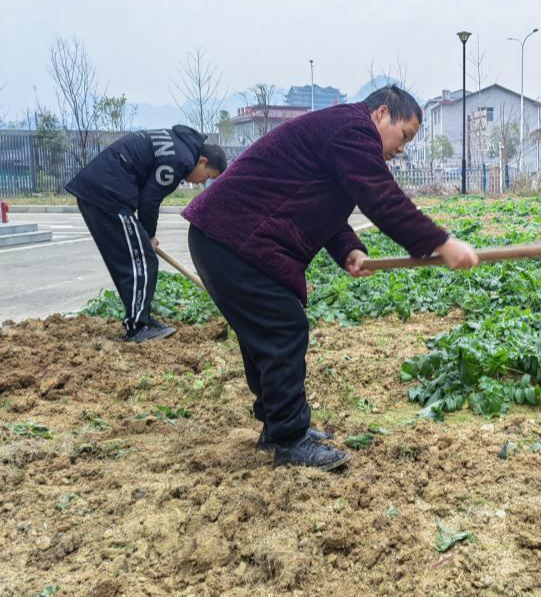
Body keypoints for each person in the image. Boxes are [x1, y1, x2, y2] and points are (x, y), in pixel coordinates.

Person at [182, 86, 478, 471]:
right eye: (404, 135)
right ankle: (290, 438)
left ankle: (278, 427)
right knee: (283, 328)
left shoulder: (339, 132)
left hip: (221, 237)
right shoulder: (352, 130)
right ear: (381, 114)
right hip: (232, 239)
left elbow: (320, 201)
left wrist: (348, 250)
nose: (402, 148)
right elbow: (381, 199)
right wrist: (440, 242)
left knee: (267, 335)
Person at [66, 126, 226, 343]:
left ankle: (139, 319)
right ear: (203, 161)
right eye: (208, 177)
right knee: (143, 259)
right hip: (108, 194)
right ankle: (138, 327)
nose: (201, 183)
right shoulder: (181, 160)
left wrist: (143, 234)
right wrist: (148, 235)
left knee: (128, 260)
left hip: (97, 191)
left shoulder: (178, 146)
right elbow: (150, 200)